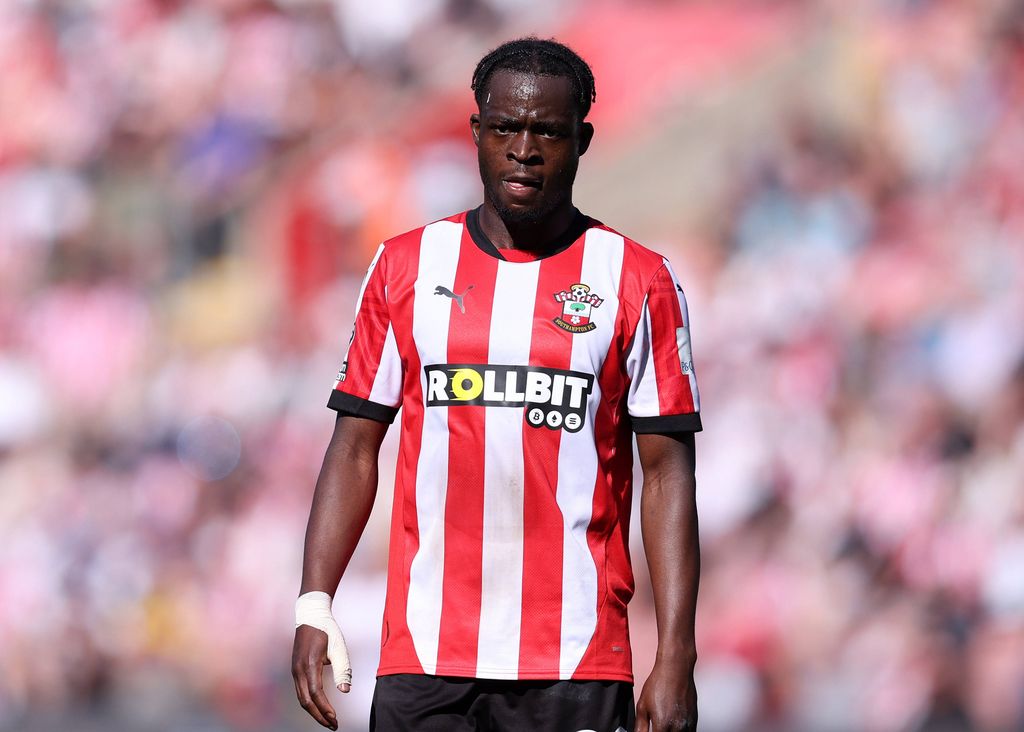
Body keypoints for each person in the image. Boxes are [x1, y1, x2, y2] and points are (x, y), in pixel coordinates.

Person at [292, 37, 702, 732]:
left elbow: (666, 477)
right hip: (425, 652)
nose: (524, 149)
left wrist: (677, 654)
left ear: (583, 139)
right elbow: (356, 446)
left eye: (547, 131)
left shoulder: (636, 279)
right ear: (477, 132)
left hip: (575, 657)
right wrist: (313, 602)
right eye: (506, 127)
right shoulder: (405, 267)